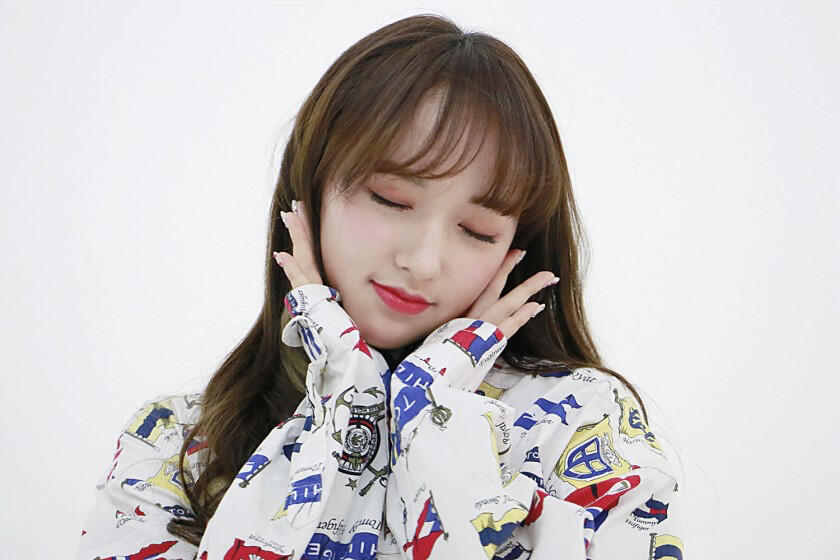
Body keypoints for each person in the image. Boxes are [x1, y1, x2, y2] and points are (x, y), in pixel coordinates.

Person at [74, 13, 685, 560]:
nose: (423, 262)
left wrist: (432, 399)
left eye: (476, 231)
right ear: (310, 188)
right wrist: (349, 391)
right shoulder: (175, 445)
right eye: (391, 199)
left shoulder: (582, 423)